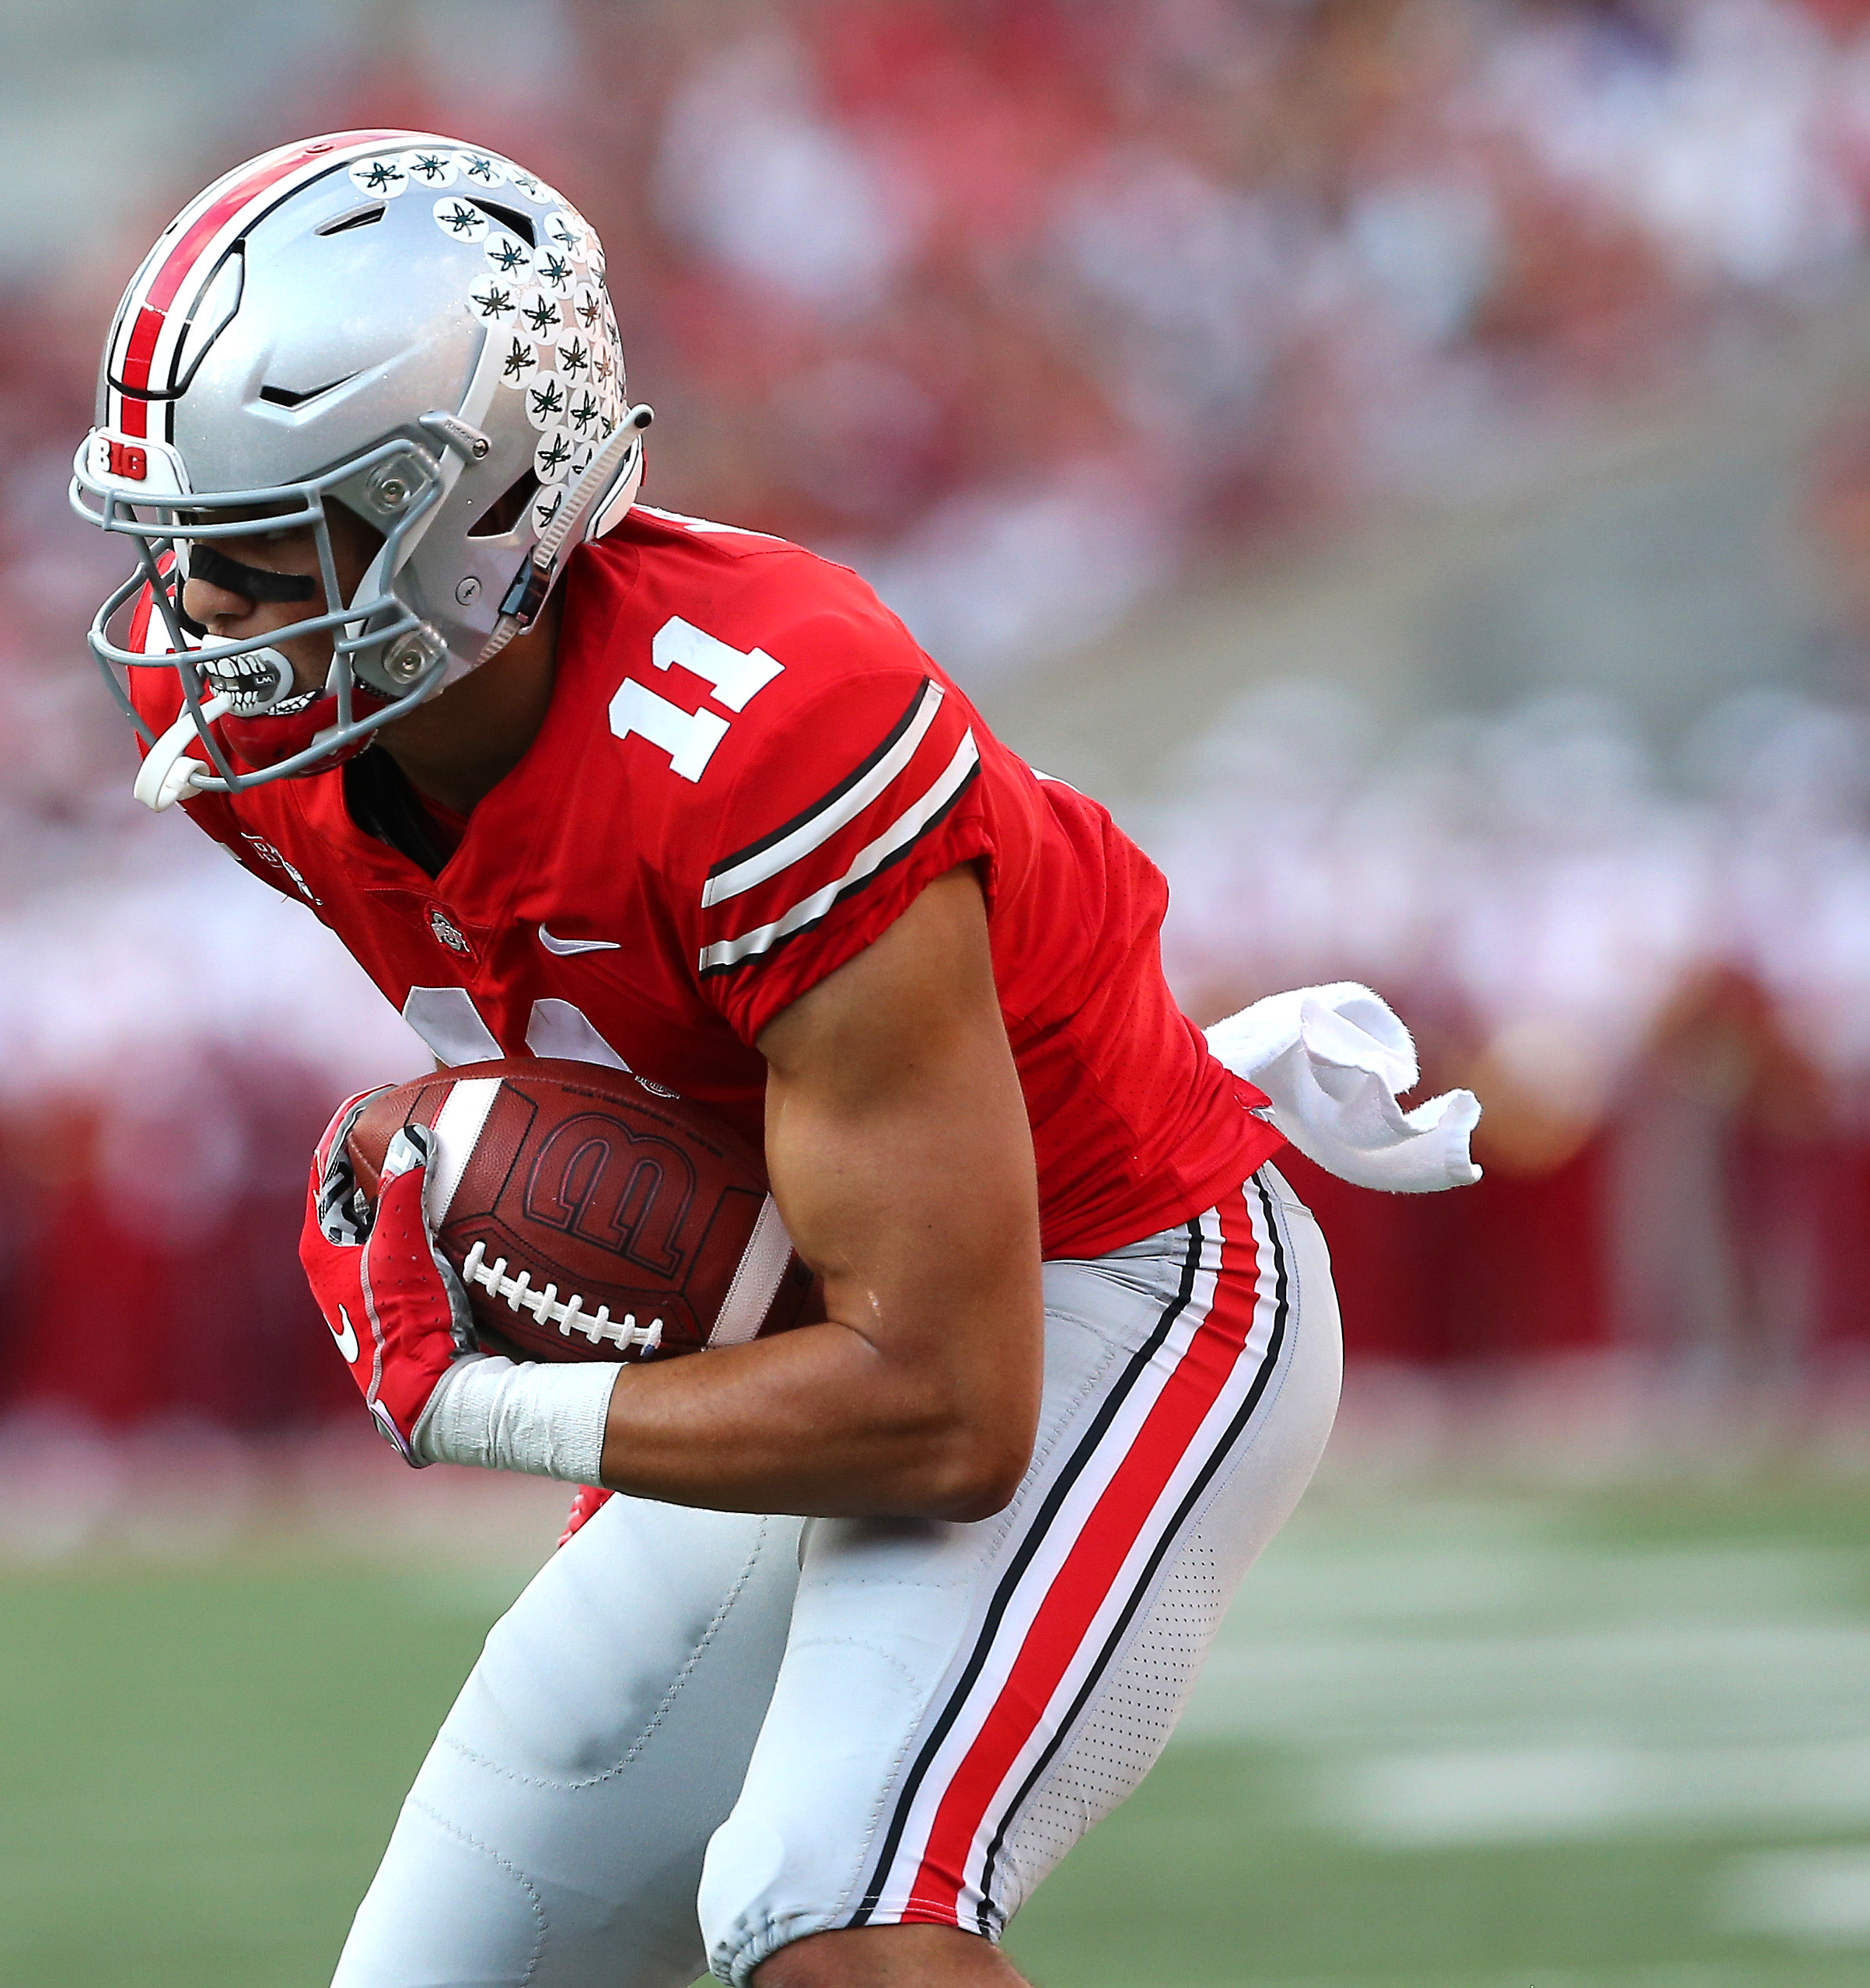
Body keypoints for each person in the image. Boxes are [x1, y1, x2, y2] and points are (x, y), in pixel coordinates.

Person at [71, 132, 1345, 1988]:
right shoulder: (265, 738)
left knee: (828, 1904)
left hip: (1096, 1275)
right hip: (805, 1310)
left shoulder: (768, 732)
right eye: (184, 551)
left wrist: (480, 1400)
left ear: (476, 511)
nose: (199, 617)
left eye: (263, 554)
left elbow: (949, 1409)